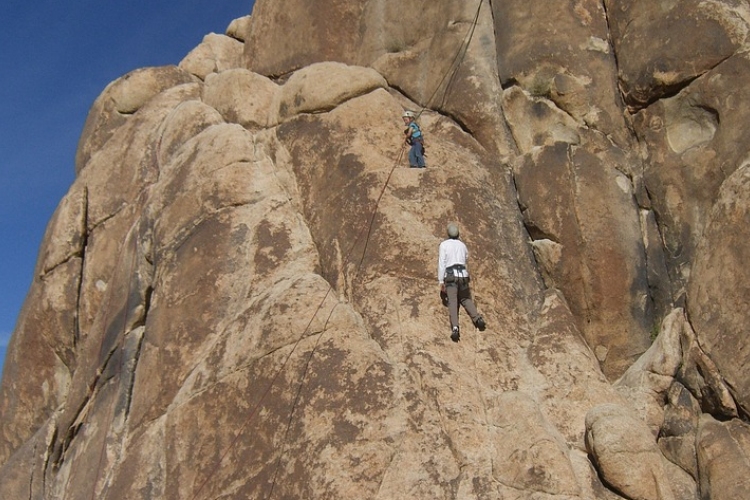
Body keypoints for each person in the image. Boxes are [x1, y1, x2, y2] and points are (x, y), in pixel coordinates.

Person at [438, 223, 486, 342]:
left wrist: (440, 280)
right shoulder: (463, 246)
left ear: (448, 233)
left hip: (450, 275)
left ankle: (455, 328)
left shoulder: (444, 245)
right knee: (465, 299)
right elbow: (465, 259)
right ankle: (477, 318)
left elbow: (442, 263)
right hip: (463, 275)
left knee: (453, 301)